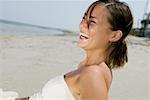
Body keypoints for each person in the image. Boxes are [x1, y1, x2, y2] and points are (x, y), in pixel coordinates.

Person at [15, 0, 133, 100]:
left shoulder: (93, 74)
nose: (82, 25)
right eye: (84, 18)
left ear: (114, 36)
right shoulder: (86, 66)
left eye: (92, 22)